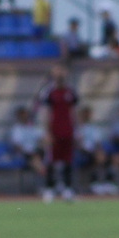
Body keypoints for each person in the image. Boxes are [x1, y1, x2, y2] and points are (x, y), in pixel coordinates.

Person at [40, 65, 79, 201]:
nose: (60, 74)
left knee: (68, 160)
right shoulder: (49, 92)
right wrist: (47, 132)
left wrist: (77, 131)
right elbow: (46, 113)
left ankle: (68, 189)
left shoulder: (71, 92)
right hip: (54, 131)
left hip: (68, 131)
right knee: (51, 160)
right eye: (57, 71)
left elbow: (74, 113)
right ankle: (49, 188)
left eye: (62, 70)